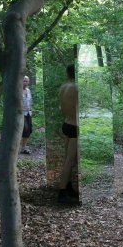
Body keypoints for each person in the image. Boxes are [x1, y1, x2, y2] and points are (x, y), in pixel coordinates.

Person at [57, 65, 80, 205]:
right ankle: (62, 192)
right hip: (74, 125)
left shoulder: (63, 86)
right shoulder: (76, 87)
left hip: (66, 123)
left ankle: (68, 186)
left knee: (69, 159)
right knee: (70, 161)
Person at [20, 75, 32, 155]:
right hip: (21, 114)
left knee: (29, 129)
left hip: (29, 113)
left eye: (26, 81)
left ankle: (23, 147)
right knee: (25, 129)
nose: (25, 82)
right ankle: (20, 147)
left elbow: (30, 101)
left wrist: (30, 108)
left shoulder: (28, 90)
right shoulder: (18, 90)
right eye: (24, 80)